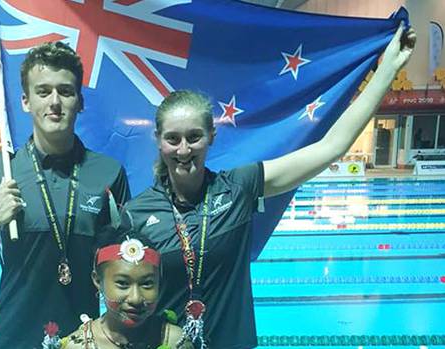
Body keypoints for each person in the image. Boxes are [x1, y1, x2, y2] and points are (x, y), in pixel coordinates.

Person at [123, 24, 415, 348]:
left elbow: (330, 147)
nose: (183, 149)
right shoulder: (138, 214)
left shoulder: (238, 187)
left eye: (194, 137)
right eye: (173, 139)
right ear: (158, 141)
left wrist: (387, 69)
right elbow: (122, 298)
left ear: (211, 137)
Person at [0, 41, 131, 348]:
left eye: (65, 91)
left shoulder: (109, 173)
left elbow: (122, 270)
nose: (55, 101)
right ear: (26, 101)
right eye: (43, 91)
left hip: (84, 339)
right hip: (11, 338)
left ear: (80, 101)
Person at [60, 234, 191, 349]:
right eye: (122, 283)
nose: (136, 299)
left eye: (147, 284)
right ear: (98, 281)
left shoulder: (177, 342)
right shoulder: (77, 345)